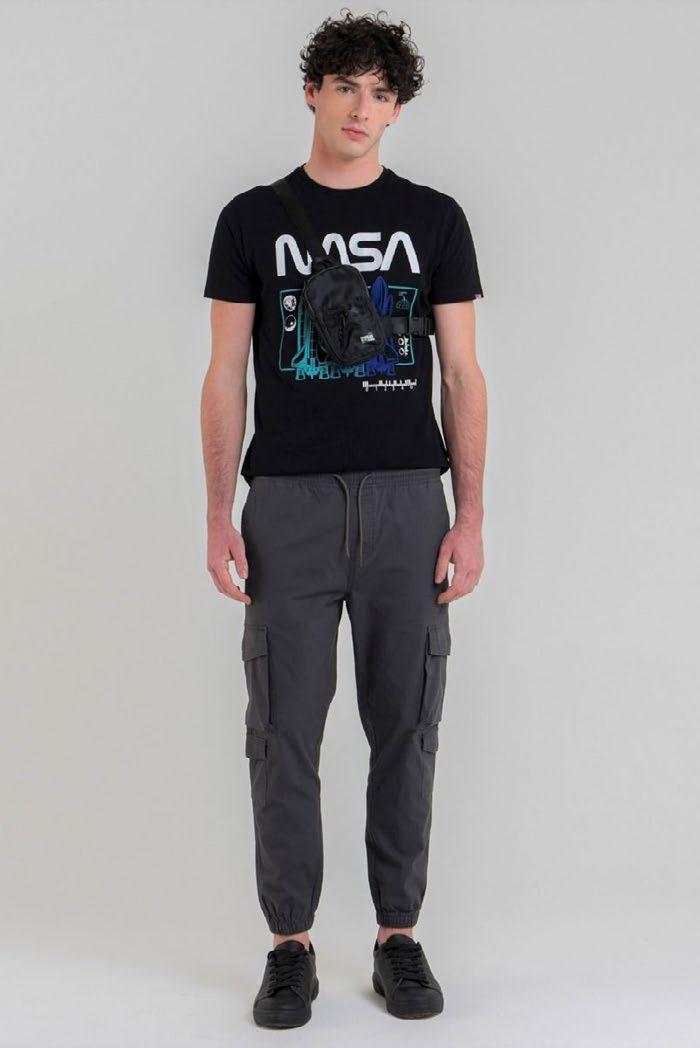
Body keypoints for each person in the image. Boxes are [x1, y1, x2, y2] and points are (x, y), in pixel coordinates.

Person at [201, 9, 487, 1029]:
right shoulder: (251, 220)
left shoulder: (435, 219)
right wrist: (218, 512)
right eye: (346, 87)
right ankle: (290, 945)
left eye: (381, 93)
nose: (362, 108)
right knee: (283, 728)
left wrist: (470, 516)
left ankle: (397, 935)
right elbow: (225, 376)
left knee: (406, 722)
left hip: (410, 498)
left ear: (396, 109)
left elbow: (461, 374)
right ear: (312, 93)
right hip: (287, 503)